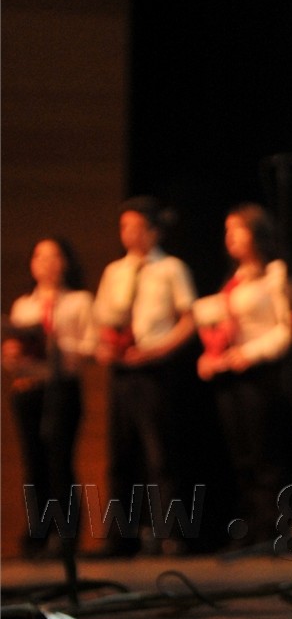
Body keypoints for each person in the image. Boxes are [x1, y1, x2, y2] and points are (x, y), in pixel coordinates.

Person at [94, 197, 198, 556]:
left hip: (156, 369)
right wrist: (105, 347)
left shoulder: (171, 268)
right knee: (120, 456)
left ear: (154, 230)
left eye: (136, 226)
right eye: (124, 226)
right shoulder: (114, 271)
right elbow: (103, 319)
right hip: (123, 370)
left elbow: (190, 317)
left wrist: (159, 349)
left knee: (160, 455)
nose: (129, 233)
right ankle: (118, 536)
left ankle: (168, 533)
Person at [195, 204, 292, 549]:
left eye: (238, 229)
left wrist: (250, 354)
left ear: (257, 233)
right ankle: (251, 526)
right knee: (241, 456)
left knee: (265, 453)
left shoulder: (275, 274)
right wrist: (212, 357)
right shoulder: (233, 281)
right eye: (227, 230)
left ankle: (273, 527)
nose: (231, 237)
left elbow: (285, 331)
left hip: (261, 374)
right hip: (231, 377)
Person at [3, 238, 96, 558]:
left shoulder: (80, 301)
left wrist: (58, 345)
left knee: (60, 460)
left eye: (54, 256)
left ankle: (66, 534)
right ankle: (38, 532)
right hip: (29, 389)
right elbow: (13, 353)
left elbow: (92, 346)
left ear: (65, 262)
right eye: (39, 256)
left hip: (63, 387)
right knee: (34, 462)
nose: (46, 263)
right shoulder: (23, 305)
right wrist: (12, 355)